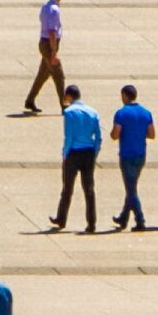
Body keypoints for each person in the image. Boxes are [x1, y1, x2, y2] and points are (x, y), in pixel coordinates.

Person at [49, 86, 102, 233]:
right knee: (89, 189)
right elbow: (98, 136)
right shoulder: (93, 112)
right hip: (88, 153)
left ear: (69, 96)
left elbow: (69, 136)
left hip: (73, 153)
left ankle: (61, 218)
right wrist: (95, 152)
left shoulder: (69, 112)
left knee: (67, 188)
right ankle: (91, 223)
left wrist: (65, 154)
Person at [23, 0, 67, 114]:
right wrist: (53, 52)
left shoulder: (45, 6)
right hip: (49, 45)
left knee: (43, 74)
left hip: (43, 42)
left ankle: (30, 100)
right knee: (59, 76)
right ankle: (64, 105)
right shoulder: (55, 10)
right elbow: (52, 32)